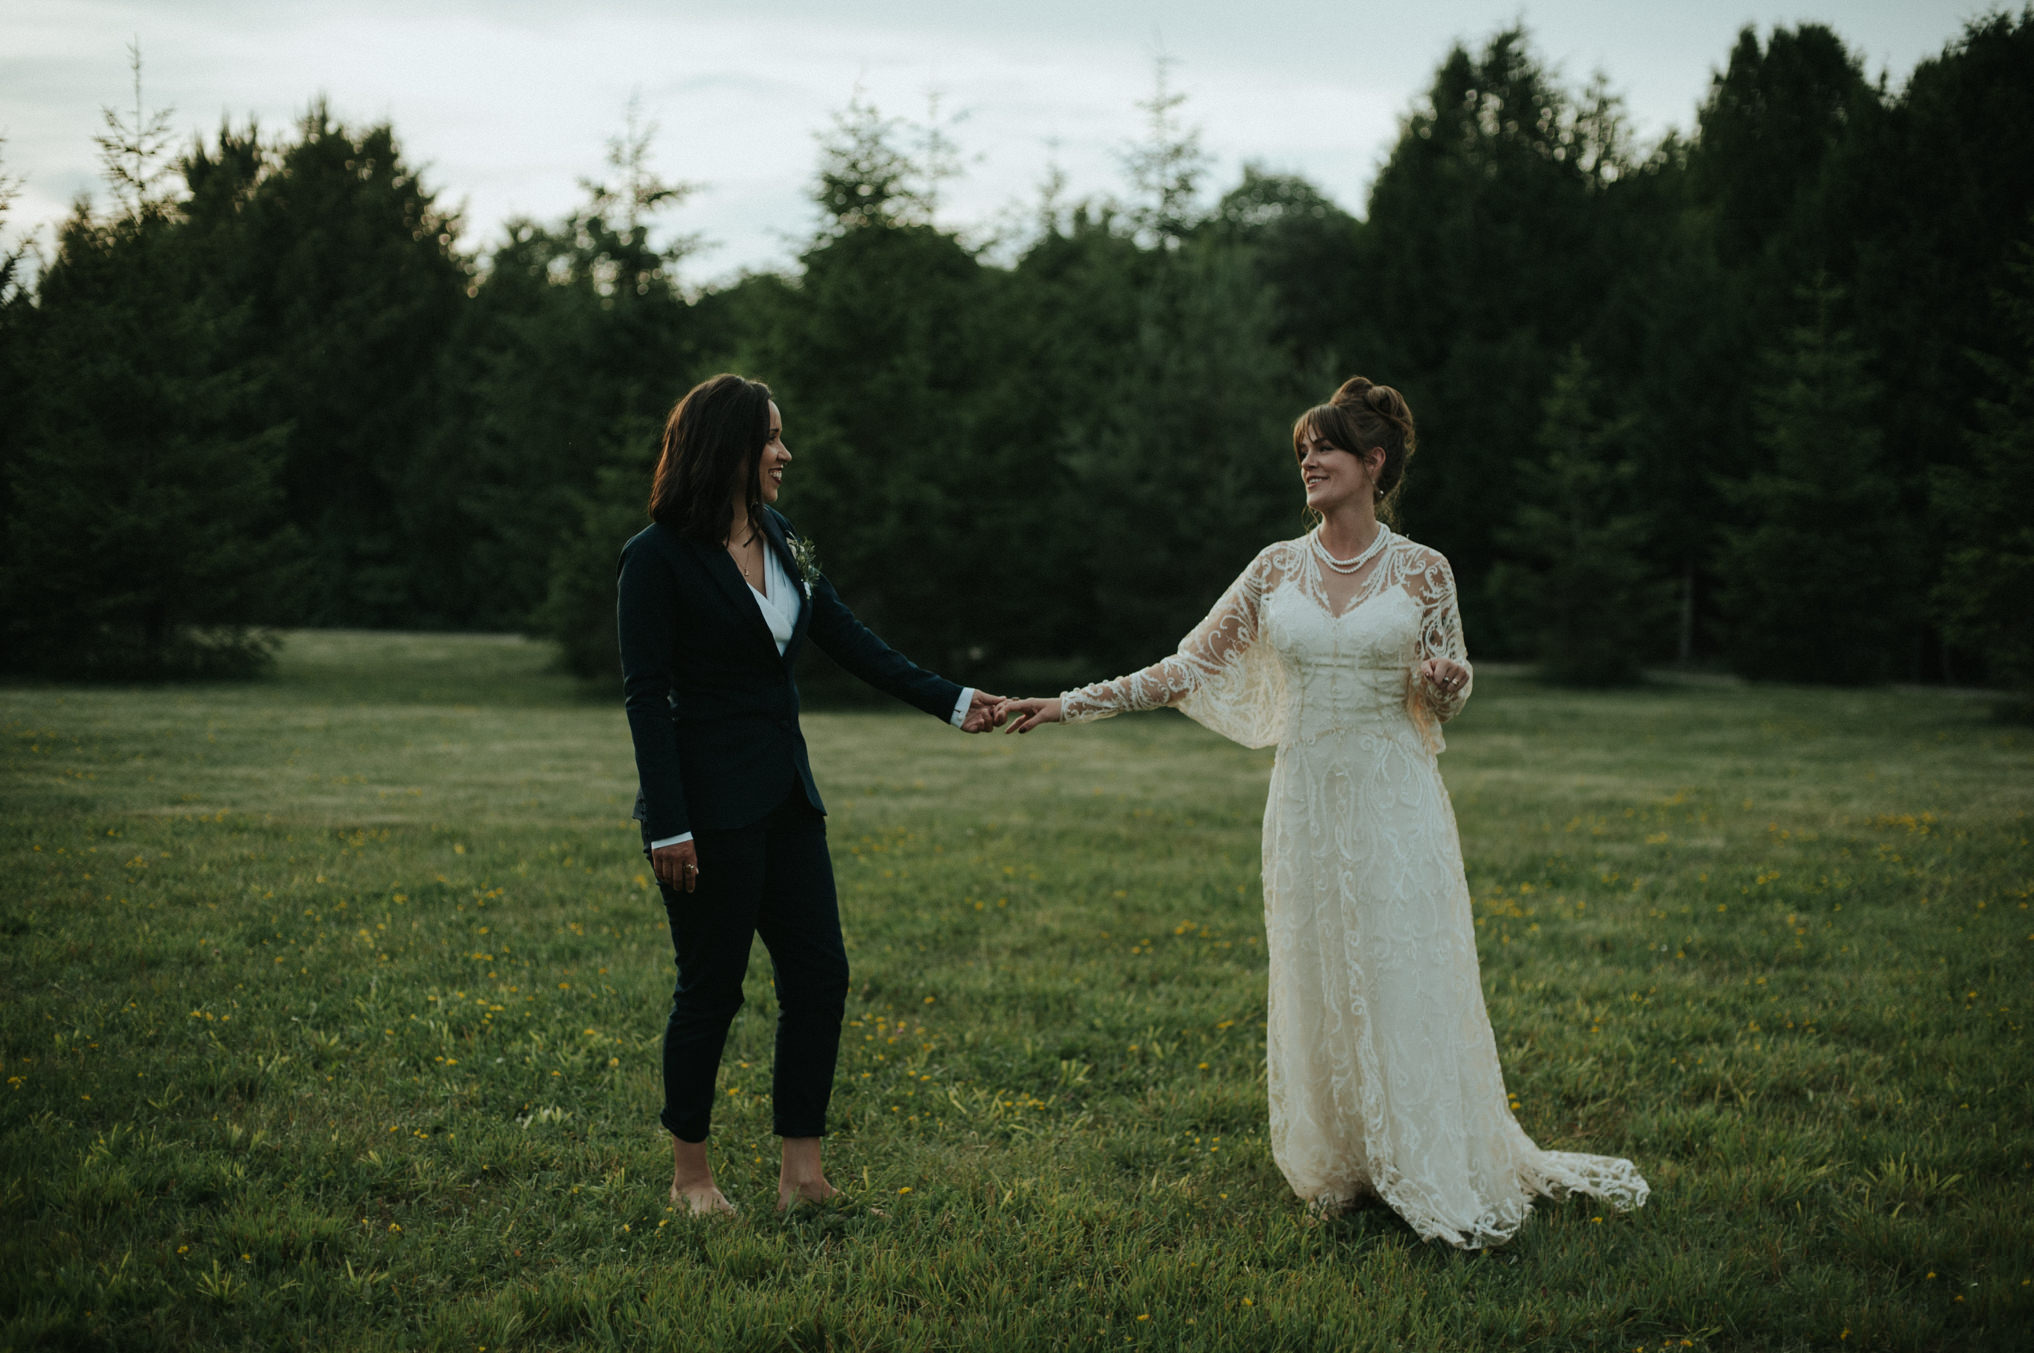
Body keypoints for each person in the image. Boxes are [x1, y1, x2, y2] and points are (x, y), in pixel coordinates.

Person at [996, 377, 1649, 1247]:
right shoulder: (1274, 568)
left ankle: (1423, 1158)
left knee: (1400, 970)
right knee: (1318, 973)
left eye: (1325, 448)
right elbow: (1183, 667)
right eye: (1303, 448)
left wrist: (1447, 683)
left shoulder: (1425, 570)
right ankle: (1347, 1159)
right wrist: (1066, 702)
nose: (1307, 459)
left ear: (1373, 464)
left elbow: (1447, 686)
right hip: (1304, 802)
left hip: (1396, 801)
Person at [618, 373, 1004, 1215]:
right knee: (711, 990)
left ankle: (803, 1175)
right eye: (771, 439)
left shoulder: (782, 536)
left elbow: (847, 637)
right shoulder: (654, 559)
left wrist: (955, 700)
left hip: (789, 801)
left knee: (821, 977)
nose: (785, 453)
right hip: (706, 816)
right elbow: (646, 696)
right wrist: (669, 825)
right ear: (727, 447)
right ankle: (692, 1179)